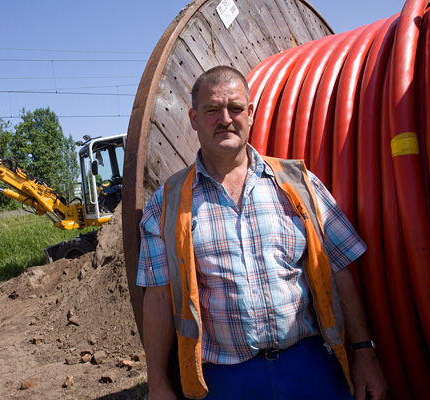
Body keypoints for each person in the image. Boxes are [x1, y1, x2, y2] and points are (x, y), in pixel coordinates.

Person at [137, 65, 387, 400]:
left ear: (251, 114)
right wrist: (157, 383)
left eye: (235, 108)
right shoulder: (165, 205)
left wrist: (364, 352)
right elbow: (158, 296)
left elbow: (340, 268)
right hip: (227, 380)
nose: (225, 119)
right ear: (195, 119)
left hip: (311, 366)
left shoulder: (300, 185)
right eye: (212, 110)